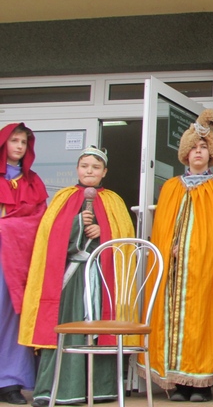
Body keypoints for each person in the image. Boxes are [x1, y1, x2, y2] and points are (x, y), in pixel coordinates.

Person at [19, 146, 135, 407]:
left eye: (95, 167)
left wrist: (102, 231)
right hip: (70, 278)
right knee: (67, 327)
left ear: (104, 172)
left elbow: (124, 240)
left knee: (100, 327)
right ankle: (59, 390)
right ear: (77, 169)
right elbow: (50, 236)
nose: (89, 171)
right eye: (85, 166)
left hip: (101, 276)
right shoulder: (63, 197)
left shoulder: (114, 201)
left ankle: (99, 389)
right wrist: (78, 223)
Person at [139, 109, 213, 402]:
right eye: (193, 147)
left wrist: (199, 252)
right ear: (185, 153)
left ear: (212, 154)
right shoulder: (171, 187)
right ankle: (178, 382)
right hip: (173, 271)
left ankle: (201, 384)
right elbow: (162, 228)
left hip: (206, 269)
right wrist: (168, 247)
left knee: (203, 320)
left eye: (203, 147)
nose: (198, 152)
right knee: (173, 321)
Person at [0, 124, 48, 405]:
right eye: (14, 141)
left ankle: (10, 382)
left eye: (23, 142)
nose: (19, 146)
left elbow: (39, 221)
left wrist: (8, 226)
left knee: (15, 317)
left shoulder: (33, 181)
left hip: (19, 259)